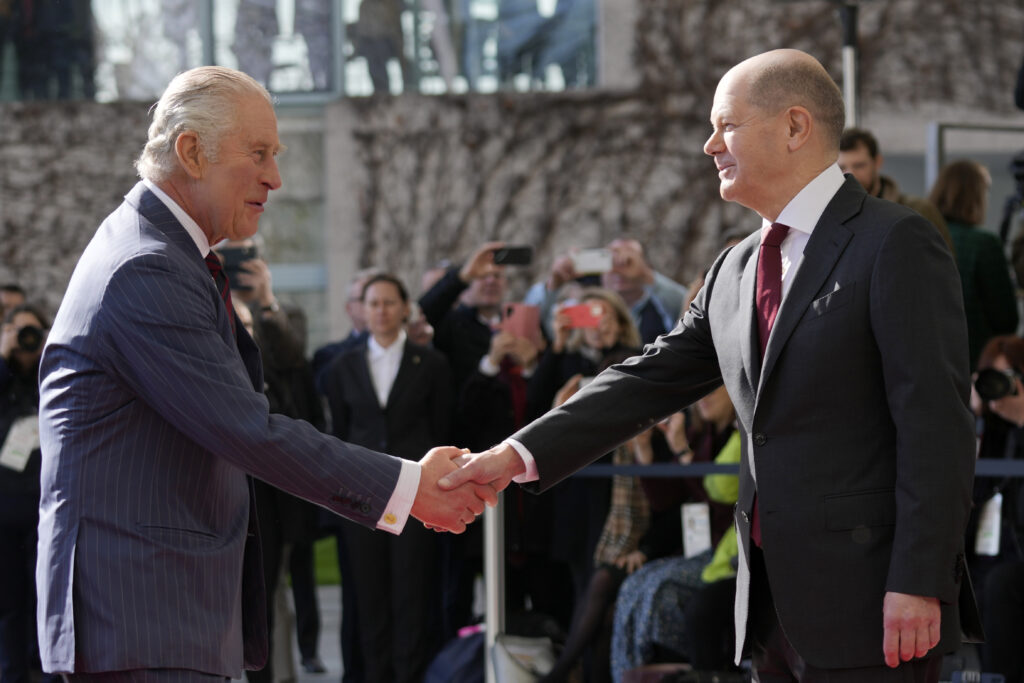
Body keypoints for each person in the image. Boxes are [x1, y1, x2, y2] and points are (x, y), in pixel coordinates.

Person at [442, 48, 981, 681]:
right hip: (769, 609)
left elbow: (936, 428)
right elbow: (647, 378)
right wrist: (514, 455)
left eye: (726, 125)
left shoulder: (895, 243)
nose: (708, 146)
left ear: (795, 126)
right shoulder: (735, 268)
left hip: (873, 602)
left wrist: (919, 580)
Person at [34, 66, 493, 680]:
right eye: (258, 154)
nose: (276, 178)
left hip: (156, 620)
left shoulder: (159, 253)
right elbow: (248, 429)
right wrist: (409, 488)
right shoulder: (145, 268)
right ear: (191, 152)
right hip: (143, 622)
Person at [322, 273, 454, 683]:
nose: (380, 311)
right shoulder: (342, 366)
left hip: (416, 498)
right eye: (373, 303)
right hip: (362, 499)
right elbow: (339, 436)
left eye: (389, 303)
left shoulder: (432, 364)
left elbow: (442, 429)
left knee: (412, 597)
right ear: (361, 308)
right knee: (368, 599)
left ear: (405, 308)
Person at [0, 304, 58, 683]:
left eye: (33, 332)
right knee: (8, 609)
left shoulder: (50, 375)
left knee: (48, 605)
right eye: (19, 332)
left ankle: (50, 673)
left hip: (46, 514)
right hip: (4, 515)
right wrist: (2, 356)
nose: (26, 341)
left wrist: (49, 352)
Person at [929, 159, 1018, 371]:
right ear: (976, 195)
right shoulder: (984, 243)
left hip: (929, 357)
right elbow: (1006, 318)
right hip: (975, 361)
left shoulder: (922, 234)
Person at [838, 127, 954, 253]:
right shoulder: (832, 215)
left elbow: (943, 266)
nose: (850, 173)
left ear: (877, 162)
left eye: (859, 165)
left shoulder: (918, 210)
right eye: (841, 167)